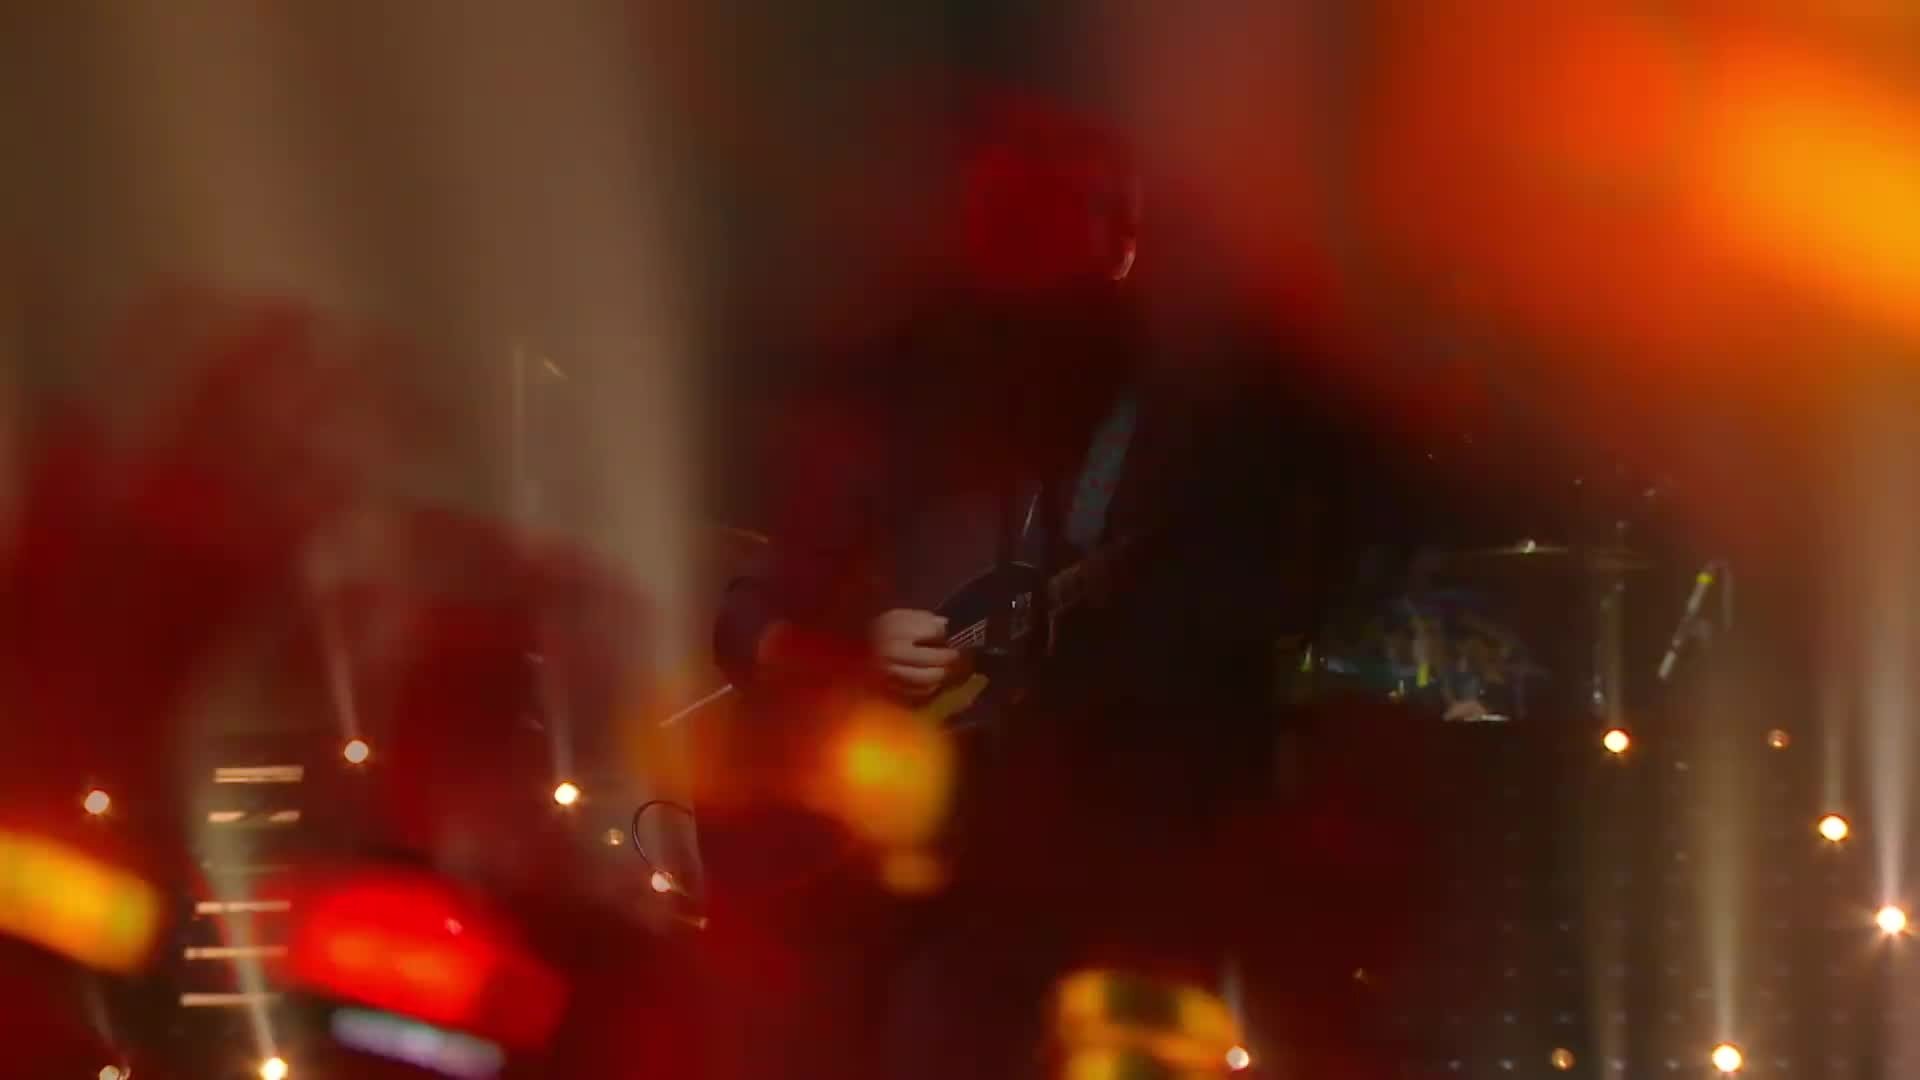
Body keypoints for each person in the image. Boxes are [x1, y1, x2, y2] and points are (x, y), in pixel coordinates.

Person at [709, 95, 1320, 1079]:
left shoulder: (1180, 428)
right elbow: (758, 609)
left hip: (1108, 876)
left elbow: (1241, 656)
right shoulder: (889, 404)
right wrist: (832, 658)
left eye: (1082, 222)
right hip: (919, 878)